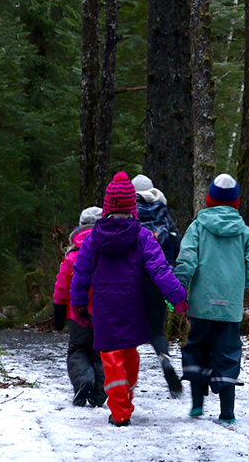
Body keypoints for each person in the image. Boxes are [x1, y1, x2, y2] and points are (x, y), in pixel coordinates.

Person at [70, 172, 188, 427]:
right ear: (131, 209)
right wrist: (177, 297)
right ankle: (126, 399)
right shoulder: (144, 236)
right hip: (134, 306)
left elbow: (80, 274)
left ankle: (120, 410)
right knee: (130, 353)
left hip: (103, 308)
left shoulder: (92, 239)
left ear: (107, 207)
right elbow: (160, 270)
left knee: (111, 357)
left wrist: (78, 305)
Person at [174, 173, 249, 427]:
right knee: (228, 353)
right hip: (230, 307)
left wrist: (179, 287)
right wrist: (241, 284)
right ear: (235, 202)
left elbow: (187, 258)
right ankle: (227, 412)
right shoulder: (244, 231)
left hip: (201, 305)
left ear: (209, 200)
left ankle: (196, 405)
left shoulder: (199, 225)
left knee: (197, 349)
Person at [132, 174, 183, 397]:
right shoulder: (162, 212)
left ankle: (122, 382)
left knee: (126, 331)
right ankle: (164, 357)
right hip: (159, 278)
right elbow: (177, 242)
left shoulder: (129, 212)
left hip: (132, 280)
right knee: (157, 330)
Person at [52, 206, 107, 407]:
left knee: (77, 350)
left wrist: (58, 308)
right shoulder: (110, 252)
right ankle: (100, 394)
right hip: (105, 314)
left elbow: (61, 284)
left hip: (78, 314)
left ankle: (84, 379)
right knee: (101, 354)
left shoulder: (72, 255)